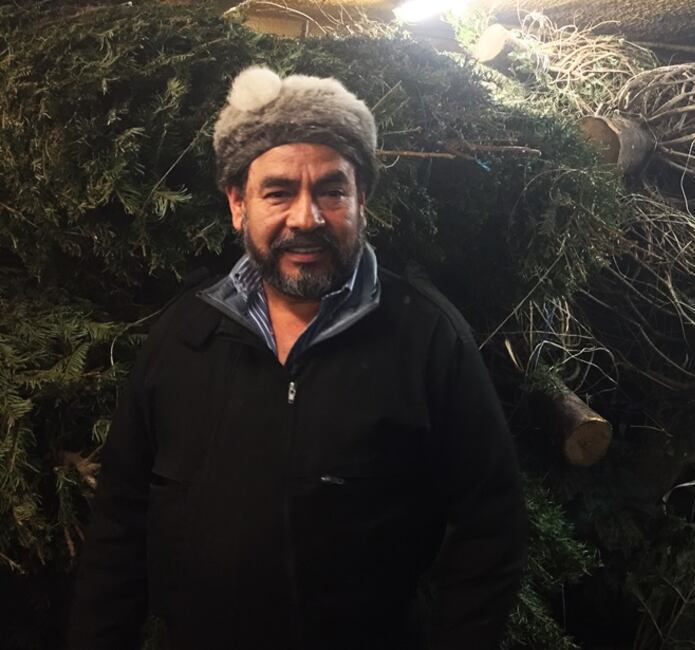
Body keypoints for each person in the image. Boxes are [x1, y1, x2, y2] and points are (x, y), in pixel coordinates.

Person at [67, 66, 528, 650]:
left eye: (331, 190)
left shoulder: (427, 339)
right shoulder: (183, 338)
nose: (306, 218)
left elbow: (491, 527)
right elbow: (119, 523)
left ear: (362, 199)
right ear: (238, 204)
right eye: (279, 191)